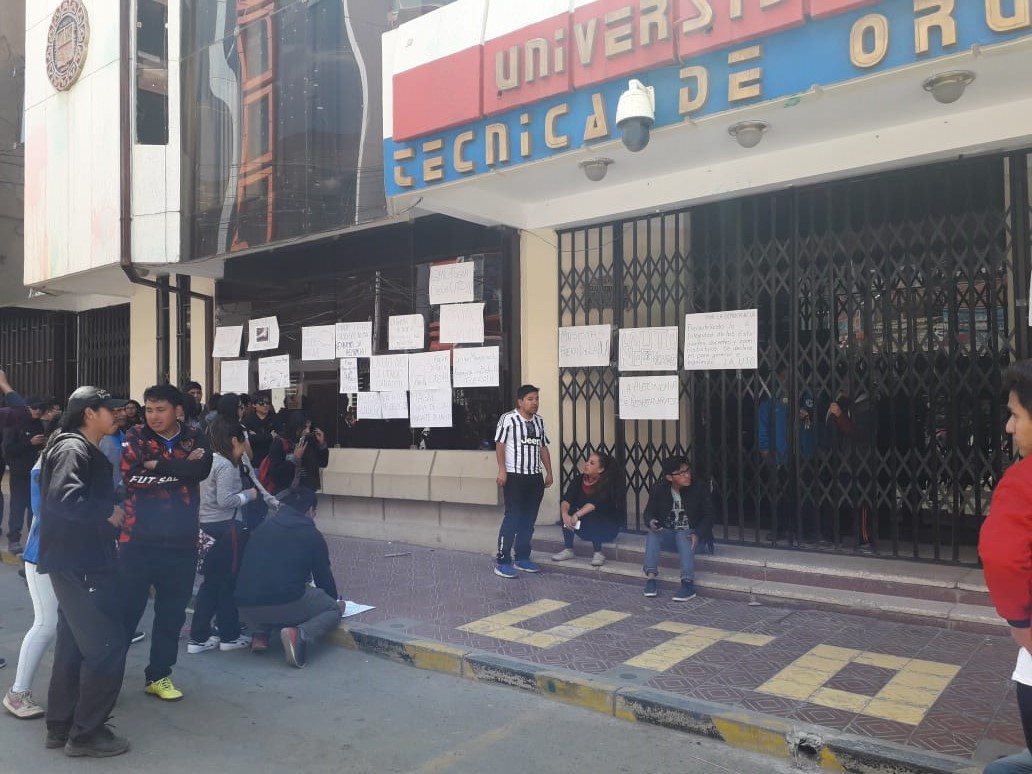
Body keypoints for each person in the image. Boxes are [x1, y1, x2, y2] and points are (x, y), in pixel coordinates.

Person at [37, 386, 131, 757]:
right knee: (107, 646)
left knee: (73, 644)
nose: (117, 414)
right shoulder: (73, 447)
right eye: (109, 409)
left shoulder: (74, 446)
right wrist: (106, 512)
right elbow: (63, 498)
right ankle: (86, 735)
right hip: (81, 563)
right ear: (89, 414)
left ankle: (60, 726)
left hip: (77, 560)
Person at [120, 384, 212, 702]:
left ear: (177, 410)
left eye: (160, 410)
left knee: (171, 614)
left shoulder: (195, 436)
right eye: (149, 409)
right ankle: (107, 676)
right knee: (125, 612)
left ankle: (158, 676)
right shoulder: (135, 437)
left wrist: (157, 466)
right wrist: (180, 472)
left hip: (182, 542)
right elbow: (131, 477)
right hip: (137, 541)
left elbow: (200, 470)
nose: (153, 416)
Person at [979, 360, 1032, 774]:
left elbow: (1002, 557)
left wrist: (1021, 626)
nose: (1008, 428)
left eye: (1015, 415)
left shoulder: (1022, 480)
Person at [188, 418, 270, 654]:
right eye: (244, 440)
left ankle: (200, 635)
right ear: (235, 440)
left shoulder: (209, 461)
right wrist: (249, 494)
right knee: (225, 584)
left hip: (207, 526)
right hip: (225, 528)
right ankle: (228, 634)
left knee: (211, 584)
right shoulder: (225, 466)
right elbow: (226, 501)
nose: (246, 446)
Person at [235, 487, 342, 667]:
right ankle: (299, 635)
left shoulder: (264, 525)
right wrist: (333, 601)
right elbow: (324, 577)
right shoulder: (311, 535)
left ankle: (261, 634)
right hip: (284, 602)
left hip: (244, 606)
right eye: (315, 512)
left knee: (272, 585)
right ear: (310, 510)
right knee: (332, 609)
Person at [3, 456, 50, 718]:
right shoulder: (55, 459)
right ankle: (17, 693)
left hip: (68, 557)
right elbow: (48, 510)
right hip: (42, 555)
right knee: (46, 623)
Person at [493, 384, 553, 579]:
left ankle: (522, 557)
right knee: (513, 517)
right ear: (520, 402)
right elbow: (500, 445)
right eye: (530, 399)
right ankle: (502, 561)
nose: (534, 402)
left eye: (536, 399)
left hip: (534, 478)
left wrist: (549, 472)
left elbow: (543, 447)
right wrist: (502, 470)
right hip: (514, 476)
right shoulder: (508, 419)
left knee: (528, 519)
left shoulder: (539, 422)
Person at [757, 366, 817, 545]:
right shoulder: (770, 402)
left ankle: (804, 530)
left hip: (804, 454)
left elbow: (819, 422)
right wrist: (765, 449)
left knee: (805, 494)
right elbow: (763, 427)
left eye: (793, 375)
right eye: (785, 375)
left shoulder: (809, 399)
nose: (789, 379)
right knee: (780, 494)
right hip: (780, 455)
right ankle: (780, 528)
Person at [641, 455, 714, 601]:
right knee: (653, 534)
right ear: (669, 477)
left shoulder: (699, 487)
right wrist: (651, 522)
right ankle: (651, 579)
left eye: (687, 471)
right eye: (681, 473)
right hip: (671, 537)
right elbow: (648, 512)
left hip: (694, 540)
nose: (687, 475)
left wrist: (698, 533)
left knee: (683, 535)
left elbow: (710, 515)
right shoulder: (659, 489)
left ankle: (687, 584)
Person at [2, 397, 55, 553]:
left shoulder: (39, 424)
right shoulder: (14, 424)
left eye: (41, 408)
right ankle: (14, 539)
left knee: (34, 507)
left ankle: (33, 540)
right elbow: (9, 449)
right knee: (17, 506)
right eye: (34, 408)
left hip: (36, 472)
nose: (38, 411)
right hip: (19, 472)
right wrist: (29, 443)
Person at [552, 451, 621, 567]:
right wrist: (565, 514)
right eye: (587, 461)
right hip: (586, 530)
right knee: (568, 511)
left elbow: (594, 504)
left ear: (600, 469)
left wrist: (576, 515)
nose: (586, 464)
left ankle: (598, 553)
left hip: (606, 530)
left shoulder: (607, 484)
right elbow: (567, 498)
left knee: (593, 514)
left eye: (592, 463)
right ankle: (568, 550)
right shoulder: (579, 480)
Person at [263, 412, 328, 493]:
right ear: (297, 427)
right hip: (287, 491)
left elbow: (322, 463)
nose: (307, 431)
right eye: (305, 428)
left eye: (309, 427)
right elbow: (275, 474)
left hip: (308, 489)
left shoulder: (308, 441)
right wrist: (294, 459)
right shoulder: (280, 442)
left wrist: (322, 445)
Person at [242, 392, 280, 467]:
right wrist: (269, 436)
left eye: (267, 403)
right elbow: (248, 439)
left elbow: (279, 437)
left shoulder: (275, 418)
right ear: (254, 405)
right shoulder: (247, 420)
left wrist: (257, 436)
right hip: (255, 462)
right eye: (261, 403)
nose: (265, 405)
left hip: (272, 460)